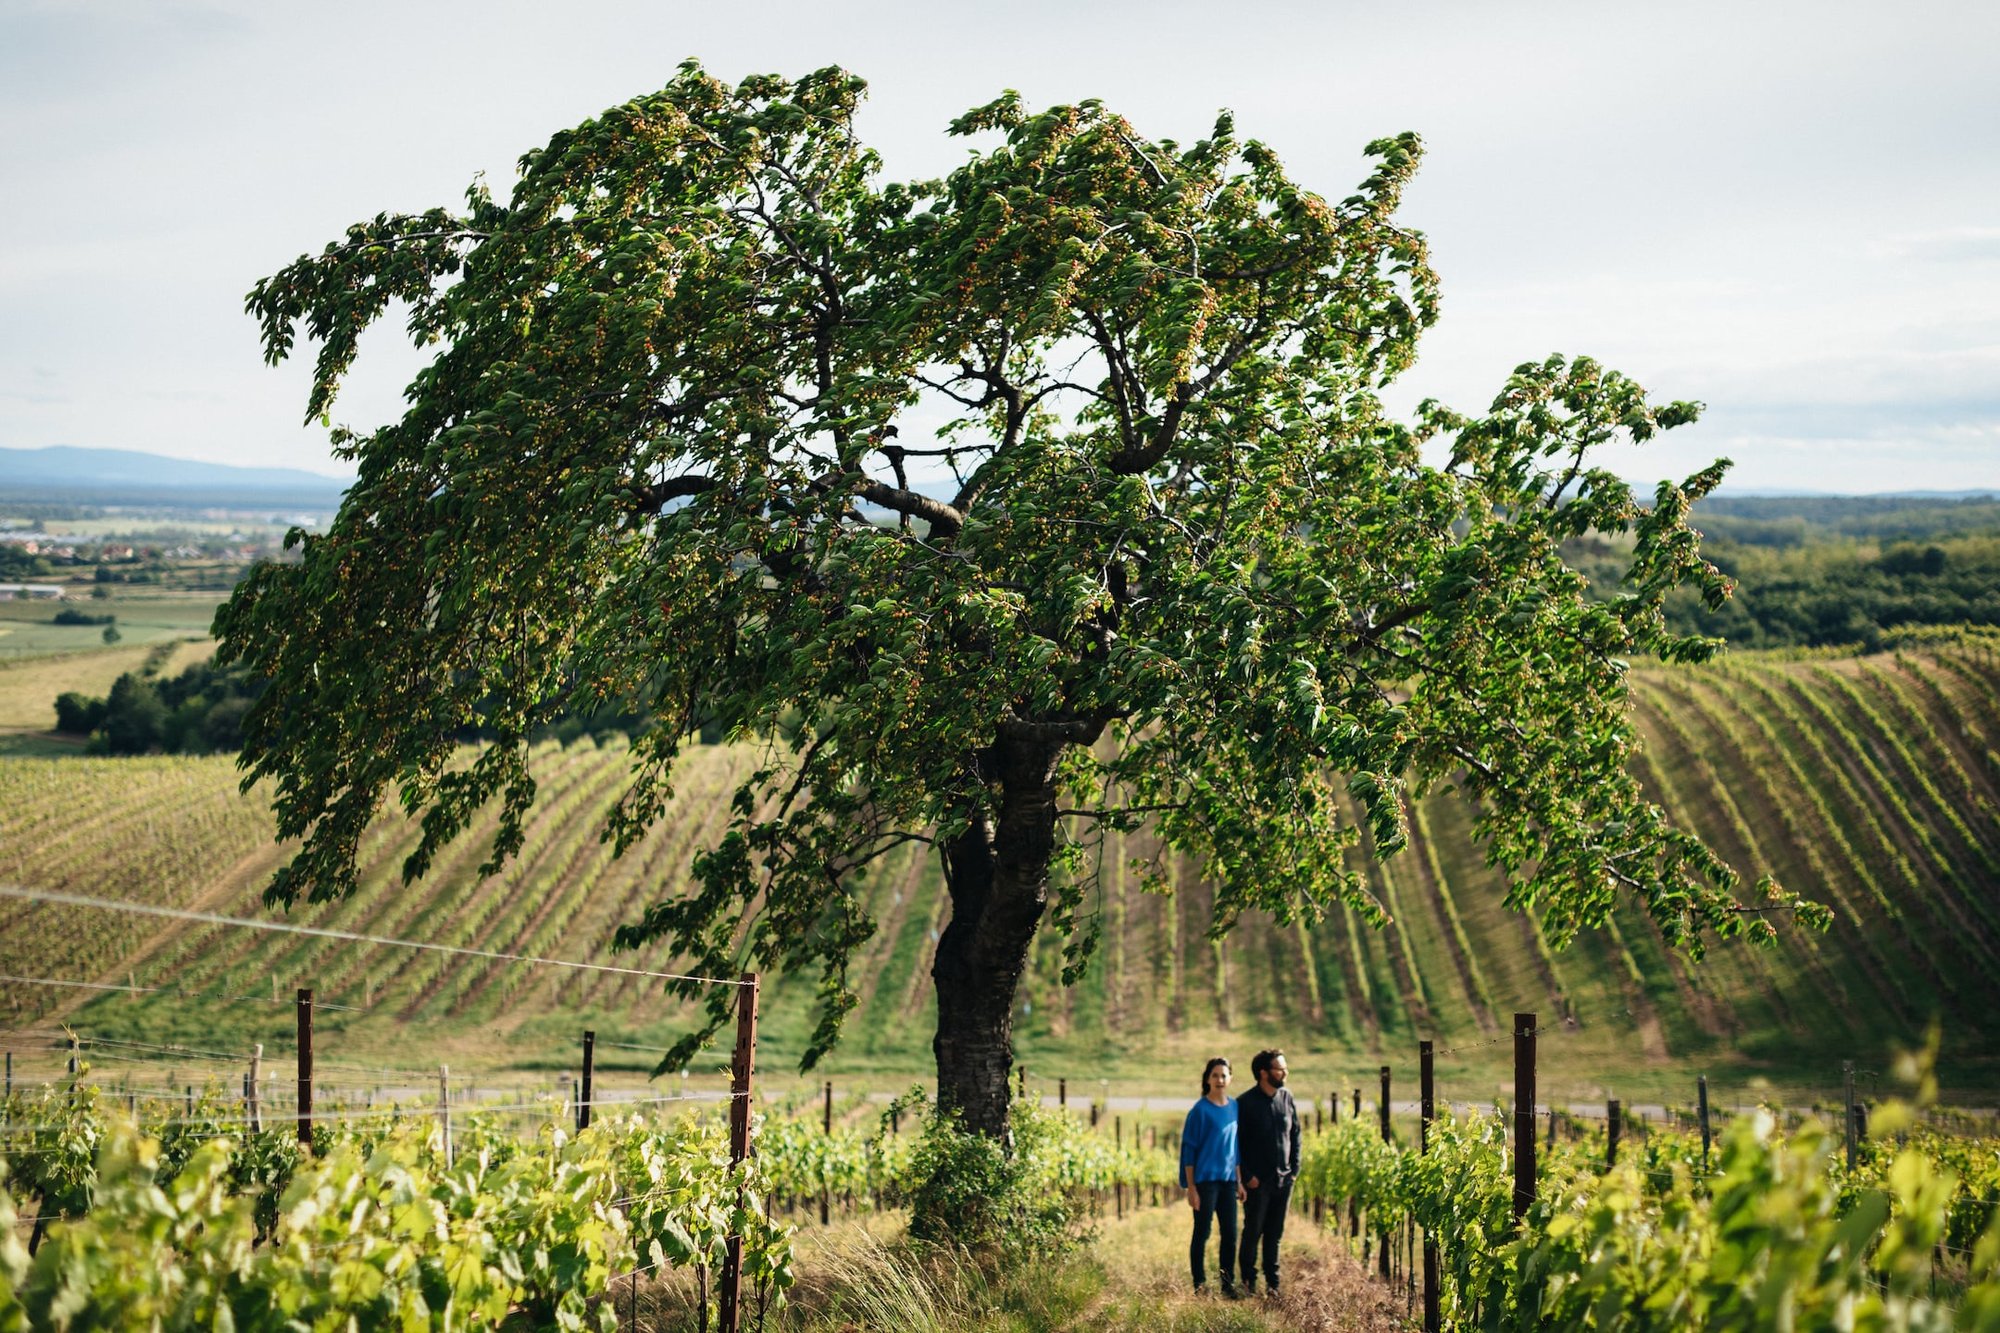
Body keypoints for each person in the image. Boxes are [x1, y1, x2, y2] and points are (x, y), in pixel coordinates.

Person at [1237, 1047, 1300, 1296]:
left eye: (1285, 1067)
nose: (1285, 1072)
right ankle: (1248, 1283)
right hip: (1257, 1182)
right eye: (1279, 1068)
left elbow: (1296, 1135)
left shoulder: (1287, 1097)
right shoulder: (1245, 1103)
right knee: (1253, 1231)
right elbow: (1237, 1144)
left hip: (1283, 1180)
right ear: (1264, 1073)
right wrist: (1247, 1176)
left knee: (1274, 1234)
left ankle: (1273, 1285)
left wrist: (1294, 1169)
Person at [1180, 1056, 1246, 1297]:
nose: (1220, 1079)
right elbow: (1189, 1150)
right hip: (1205, 1183)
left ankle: (1227, 1286)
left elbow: (1235, 1147)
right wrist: (1191, 1188)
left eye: (1224, 1075)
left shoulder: (1235, 1107)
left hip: (1229, 1182)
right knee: (1202, 1233)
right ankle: (1199, 1285)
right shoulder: (1199, 1111)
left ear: (1230, 1078)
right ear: (1207, 1079)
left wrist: (1239, 1180)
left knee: (1230, 1235)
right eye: (1215, 1075)